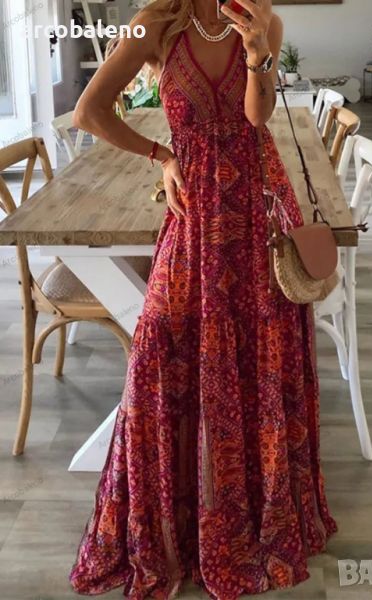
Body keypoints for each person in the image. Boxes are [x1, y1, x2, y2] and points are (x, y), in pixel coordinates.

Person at [68, 1, 337, 598]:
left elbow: (256, 117)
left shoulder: (264, 20)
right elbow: (90, 111)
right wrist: (161, 156)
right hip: (195, 211)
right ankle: (179, 516)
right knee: (160, 346)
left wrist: (257, 51)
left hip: (258, 207)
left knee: (260, 353)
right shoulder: (156, 22)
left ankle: (254, 513)